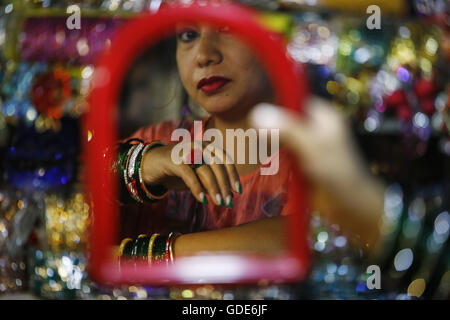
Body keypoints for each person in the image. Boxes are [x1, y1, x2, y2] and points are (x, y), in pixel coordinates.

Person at [116, 22, 385, 262]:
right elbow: (81, 204)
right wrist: (142, 164)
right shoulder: (156, 140)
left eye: (229, 28)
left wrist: (144, 258)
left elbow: (311, 236)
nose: (205, 55)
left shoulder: (315, 148)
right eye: (188, 35)